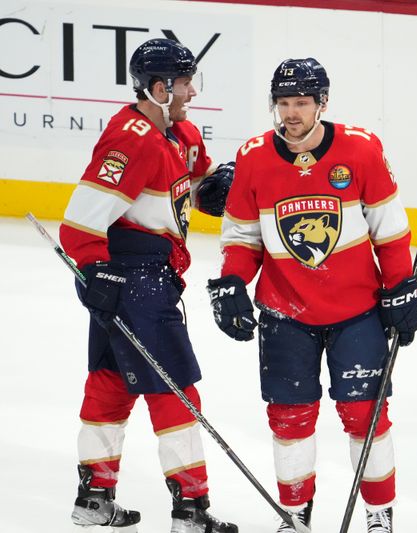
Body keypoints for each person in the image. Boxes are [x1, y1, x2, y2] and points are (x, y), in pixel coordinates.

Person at [206, 57, 417, 533]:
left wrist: (402, 287)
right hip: (285, 313)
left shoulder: (361, 150)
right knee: (289, 419)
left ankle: (379, 515)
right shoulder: (253, 157)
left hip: (357, 311)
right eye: (283, 103)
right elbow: (243, 236)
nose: (290, 113)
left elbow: (389, 230)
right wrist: (231, 282)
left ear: (322, 103)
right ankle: (295, 516)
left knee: (365, 416)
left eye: (301, 103)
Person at [60, 38, 236, 533]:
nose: (192, 92)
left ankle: (94, 498)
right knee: (175, 391)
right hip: (135, 278)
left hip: (150, 275)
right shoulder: (130, 140)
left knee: (111, 383)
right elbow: (78, 225)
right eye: (184, 84)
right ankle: (191, 510)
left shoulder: (181, 132)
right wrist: (97, 272)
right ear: (159, 88)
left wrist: (221, 186)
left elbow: (196, 190)